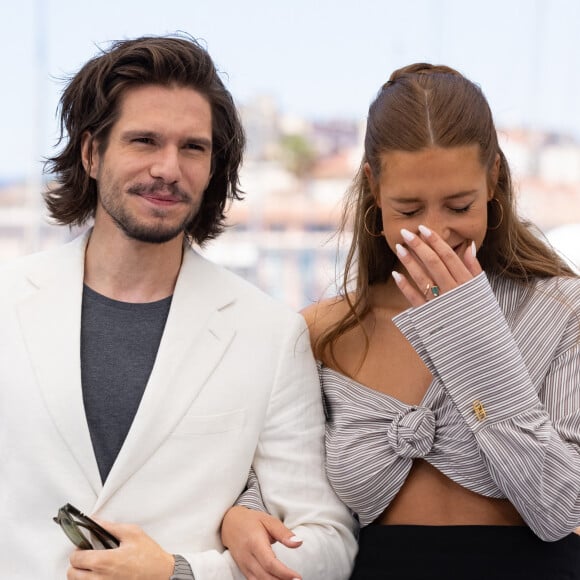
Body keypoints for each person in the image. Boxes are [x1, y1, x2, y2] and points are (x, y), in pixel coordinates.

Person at [0, 33, 357, 579]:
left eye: (193, 147)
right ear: (92, 153)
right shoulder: (7, 303)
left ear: (214, 166)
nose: (169, 168)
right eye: (144, 141)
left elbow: (327, 545)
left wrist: (180, 573)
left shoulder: (268, 334)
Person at [221, 63, 580, 579]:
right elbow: (276, 490)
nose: (434, 233)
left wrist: (469, 331)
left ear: (494, 178)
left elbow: (559, 510)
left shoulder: (563, 310)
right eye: (408, 210)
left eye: (459, 205)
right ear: (373, 187)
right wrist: (240, 515)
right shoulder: (326, 332)